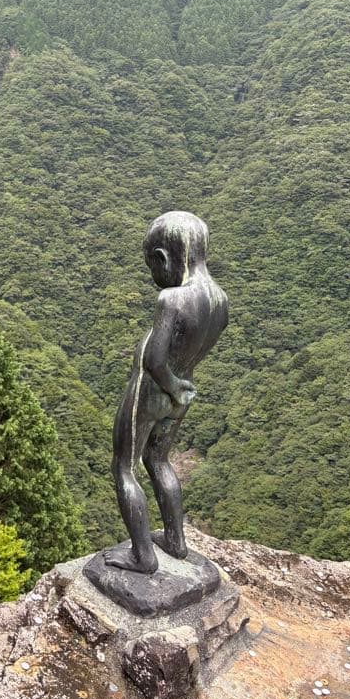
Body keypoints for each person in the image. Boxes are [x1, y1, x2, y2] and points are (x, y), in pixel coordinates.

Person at [104, 211, 228, 573]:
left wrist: (169, 385)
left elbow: (155, 359)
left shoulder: (172, 299)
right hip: (183, 392)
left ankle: (143, 556)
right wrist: (179, 390)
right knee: (159, 460)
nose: (153, 276)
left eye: (152, 266)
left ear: (162, 258)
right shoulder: (220, 300)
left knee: (124, 467)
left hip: (151, 390)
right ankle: (176, 540)